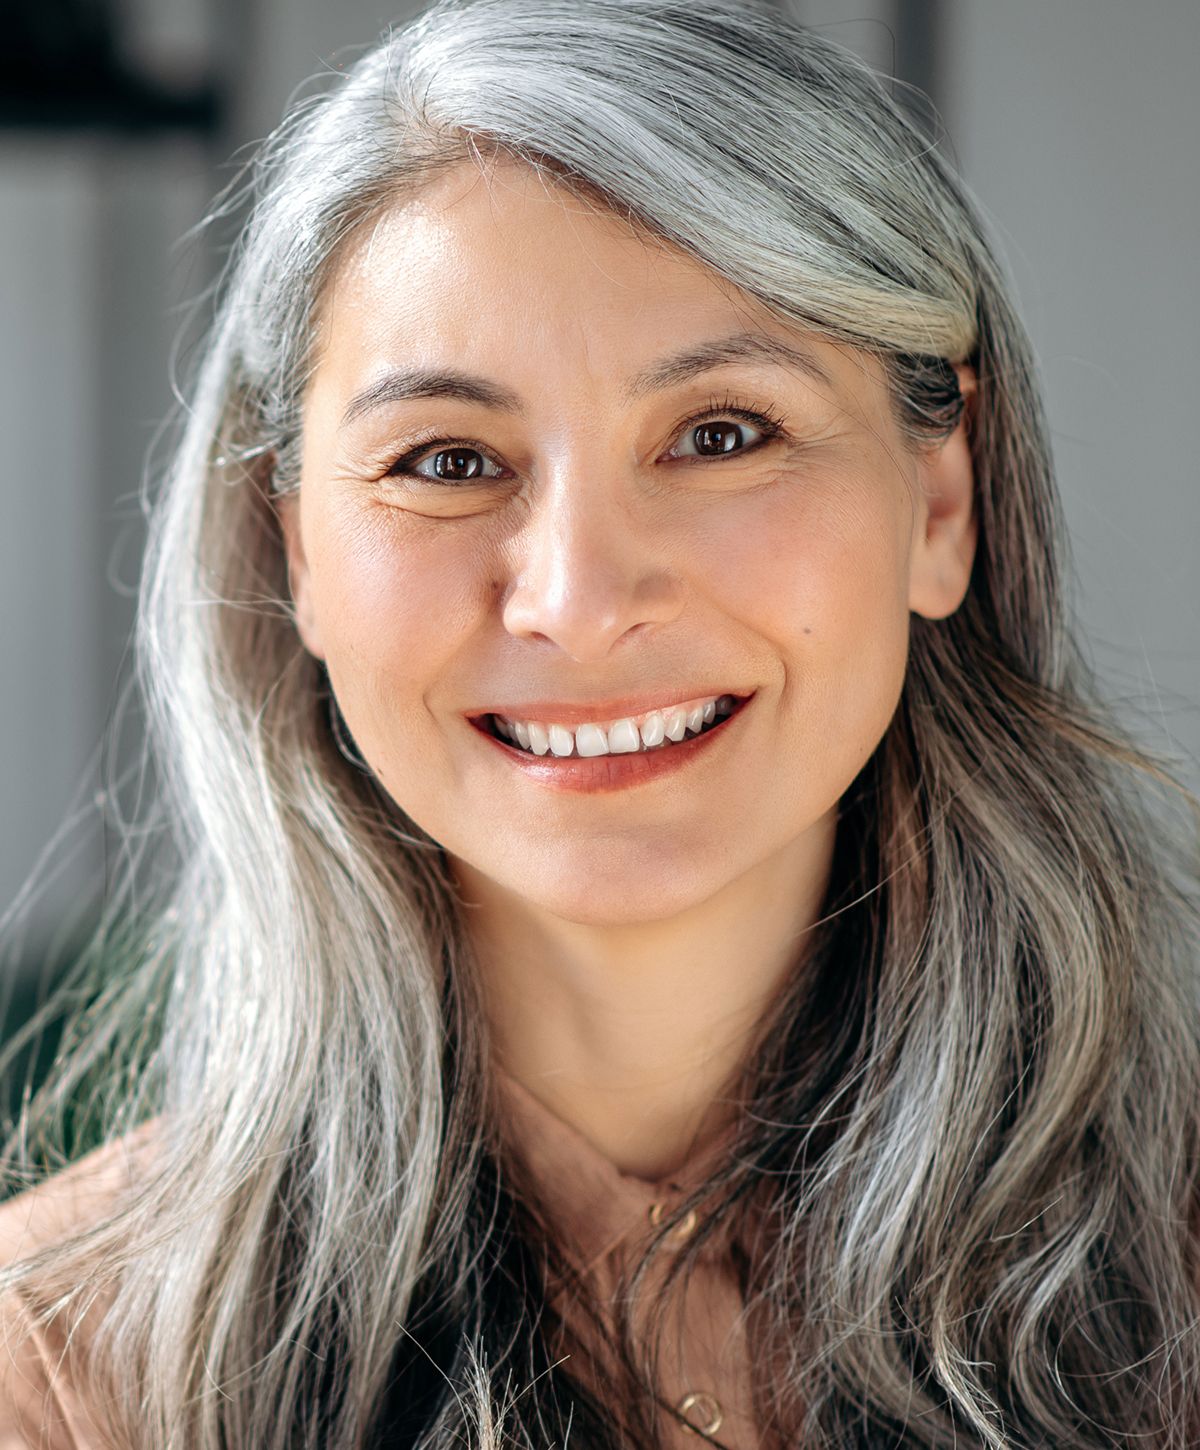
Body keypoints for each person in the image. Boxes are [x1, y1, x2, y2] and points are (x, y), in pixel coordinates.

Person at [2, 0, 1199, 1445]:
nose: (577, 598)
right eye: (448, 459)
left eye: (719, 433)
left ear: (943, 502)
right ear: (295, 555)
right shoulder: (67, 1370)